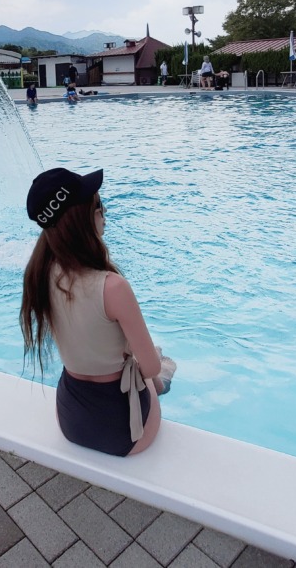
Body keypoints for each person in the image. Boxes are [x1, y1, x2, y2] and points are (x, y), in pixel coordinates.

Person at [20, 168, 176, 457]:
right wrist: (152, 370)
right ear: (81, 219)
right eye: (98, 205)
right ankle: (165, 380)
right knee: (161, 368)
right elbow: (149, 367)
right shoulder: (112, 287)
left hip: (70, 418)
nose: (104, 212)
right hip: (123, 431)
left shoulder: (39, 275)